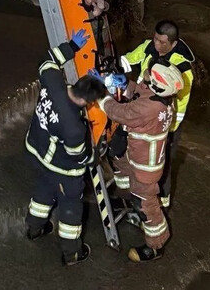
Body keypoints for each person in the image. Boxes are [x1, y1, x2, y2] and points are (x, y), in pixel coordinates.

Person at [25, 28, 106, 266]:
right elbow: (78, 156)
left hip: (36, 149)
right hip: (61, 167)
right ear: (89, 103)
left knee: (44, 189)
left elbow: (47, 61)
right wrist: (94, 157)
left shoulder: (53, 82)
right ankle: (71, 252)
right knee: (70, 203)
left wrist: (71, 47)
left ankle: (34, 228)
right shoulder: (74, 128)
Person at [97, 59, 184, 262]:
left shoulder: (147, 109)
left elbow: (120, 112)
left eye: (149, 76)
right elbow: (143, 93)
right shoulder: (163, 99)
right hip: (139, 156)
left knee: (146, 205)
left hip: (145, 167)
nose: (145, 75)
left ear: (157, 84)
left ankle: (156, 244)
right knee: (120, 161)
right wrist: (126, 85)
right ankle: (129, 199)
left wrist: (102, 96)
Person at [120, 20, 195, 207]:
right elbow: (130, 59)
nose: (157, 45)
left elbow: (181, 103)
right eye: (155, 39)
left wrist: (168, 128)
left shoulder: (182, 68)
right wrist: (118, 67)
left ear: (174, 44)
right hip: (143, 112)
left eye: (163, 42)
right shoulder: (148, 47)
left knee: (163, 162)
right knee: (136, 154)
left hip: (164, 122)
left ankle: (162, 200)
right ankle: (131, 193)